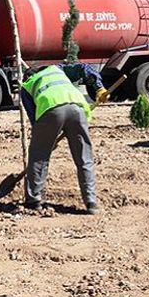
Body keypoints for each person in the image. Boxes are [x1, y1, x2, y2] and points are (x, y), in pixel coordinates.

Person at [20, 65, 102, 215]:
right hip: (78, 109)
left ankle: (34, 201)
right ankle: (91, 202)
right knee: (84, 157)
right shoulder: (57, 69)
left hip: (51, 110)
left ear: (27, 77)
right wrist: (99, 87)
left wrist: (46, 139)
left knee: (38, 156)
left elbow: (34, 120)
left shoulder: (26, 86)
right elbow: (84, 68)